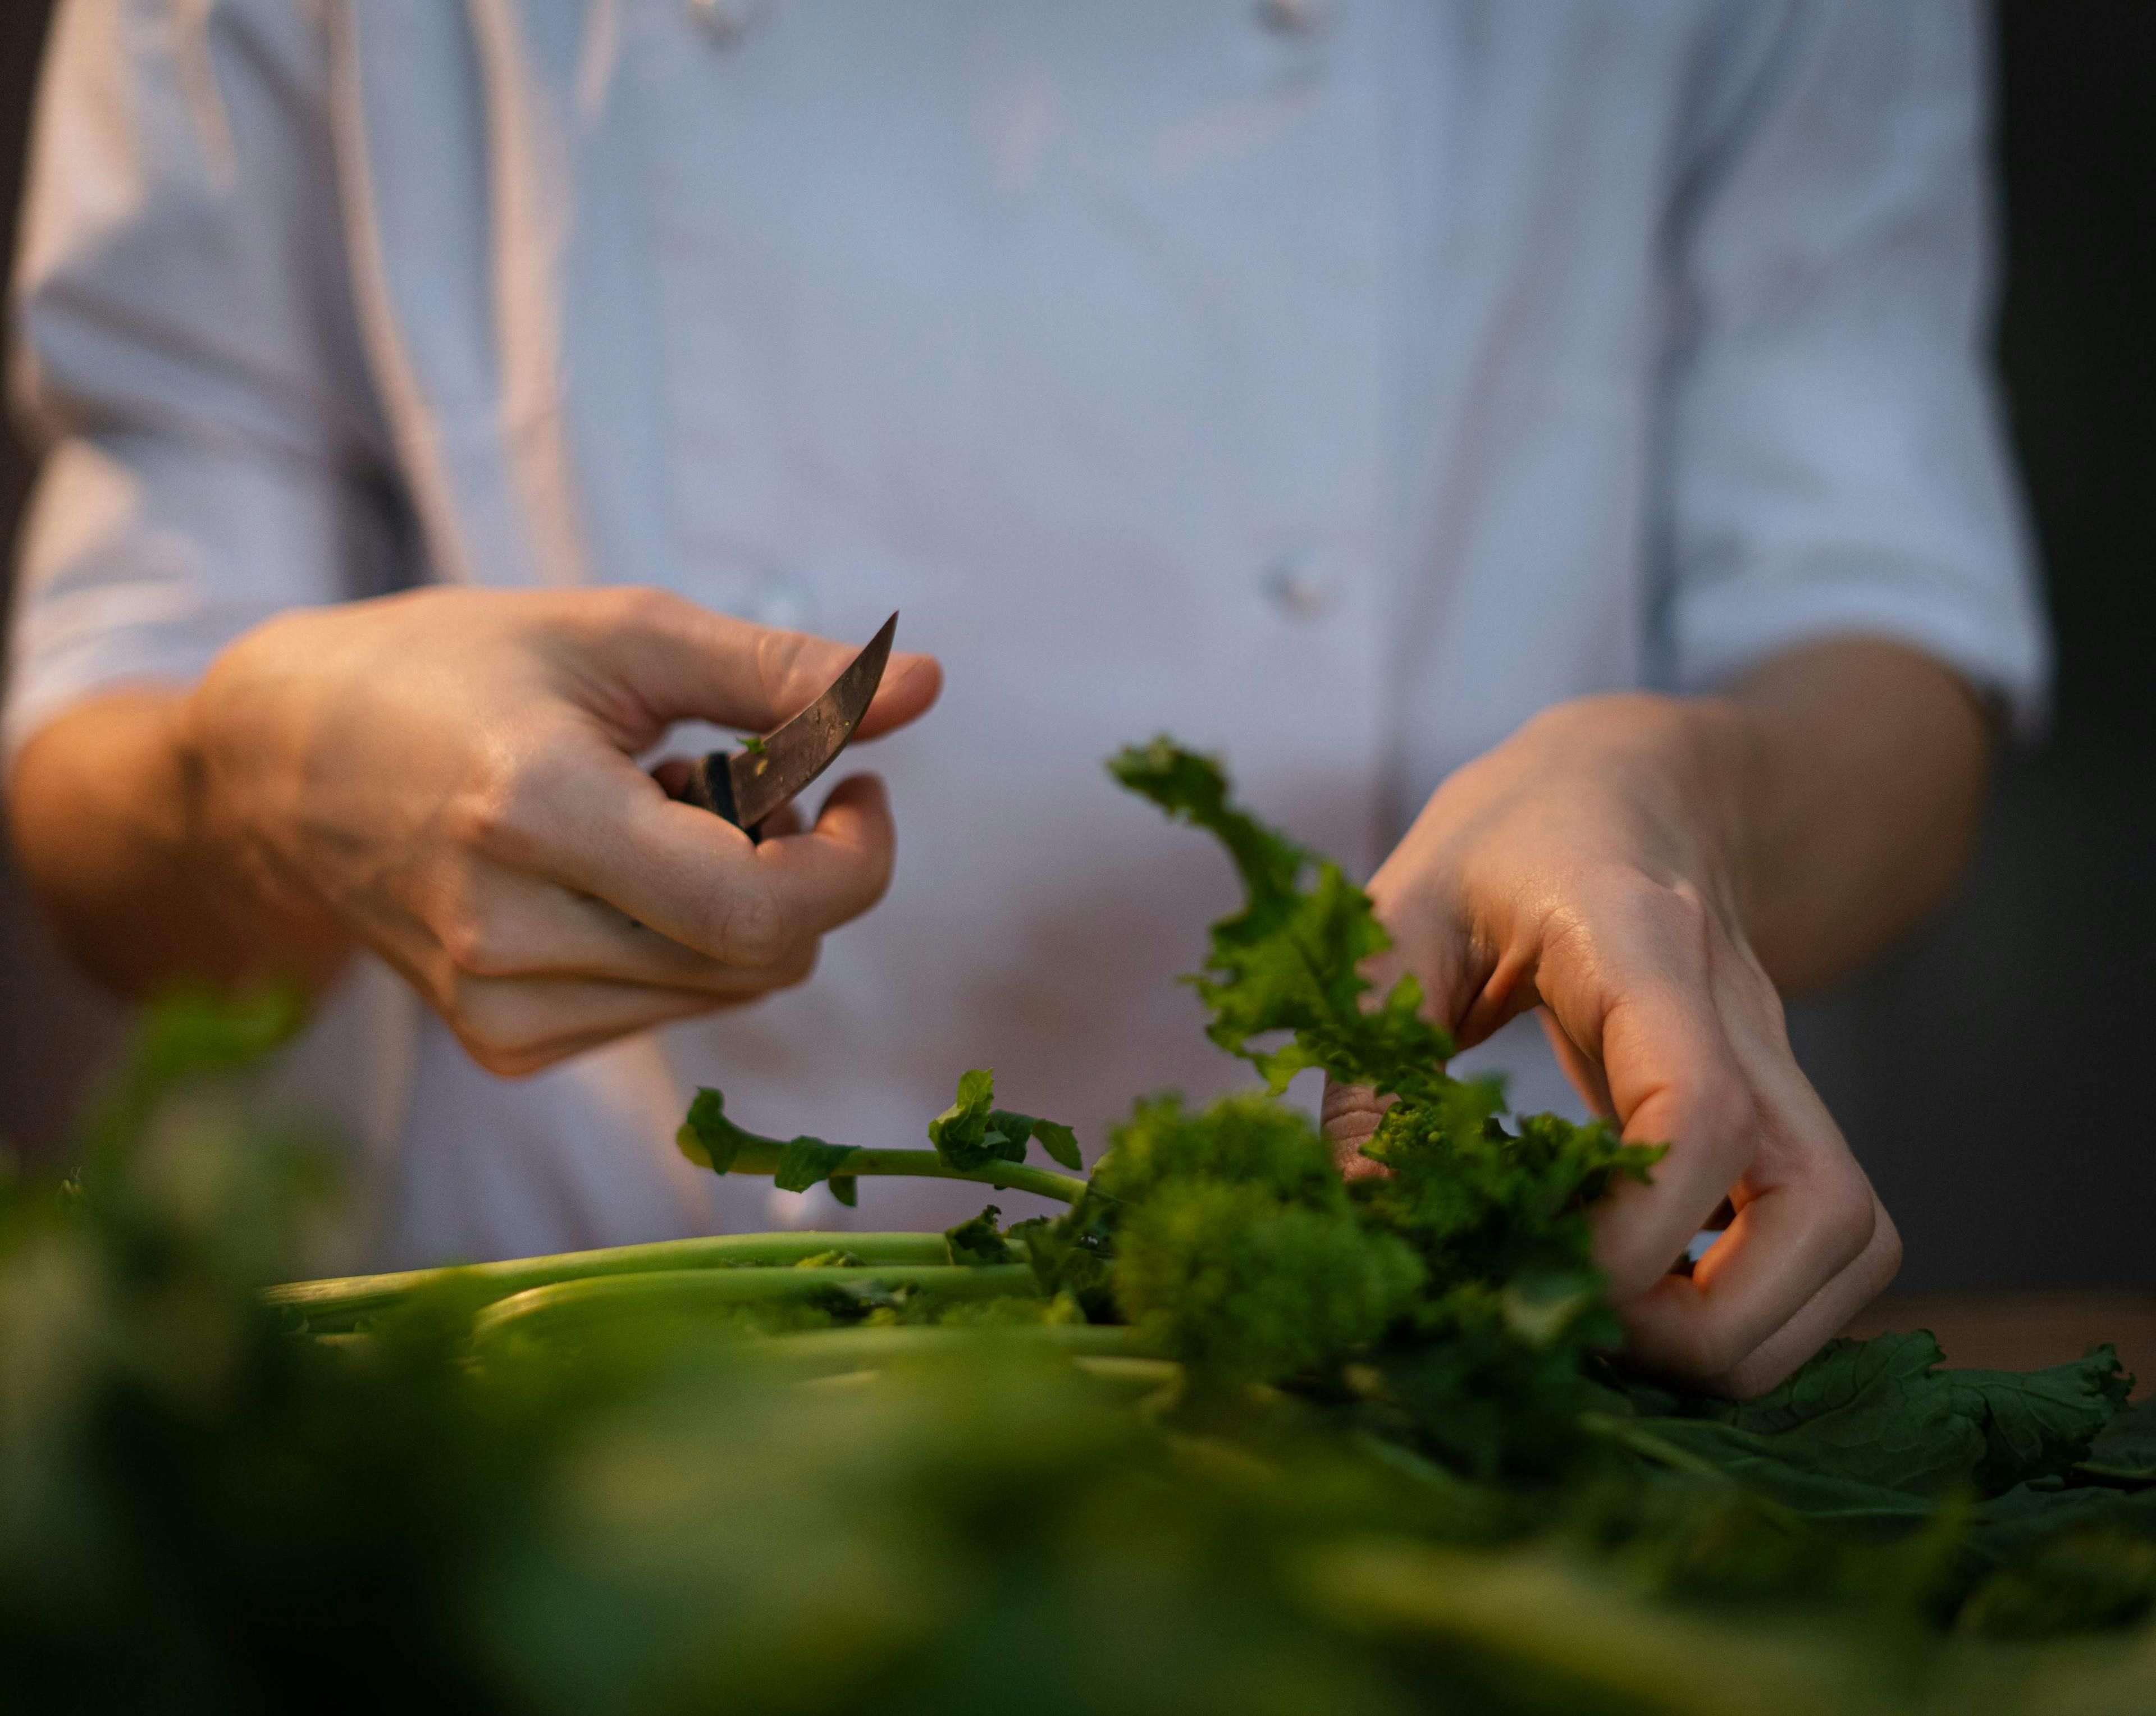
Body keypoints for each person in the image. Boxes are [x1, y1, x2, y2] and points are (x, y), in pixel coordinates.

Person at [2, 0, 2043, 1397]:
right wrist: (265, 765)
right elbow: (105, 774)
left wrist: (1677, 797)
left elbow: (1876, 637)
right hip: (574, 1385)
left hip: (1441, 1365)